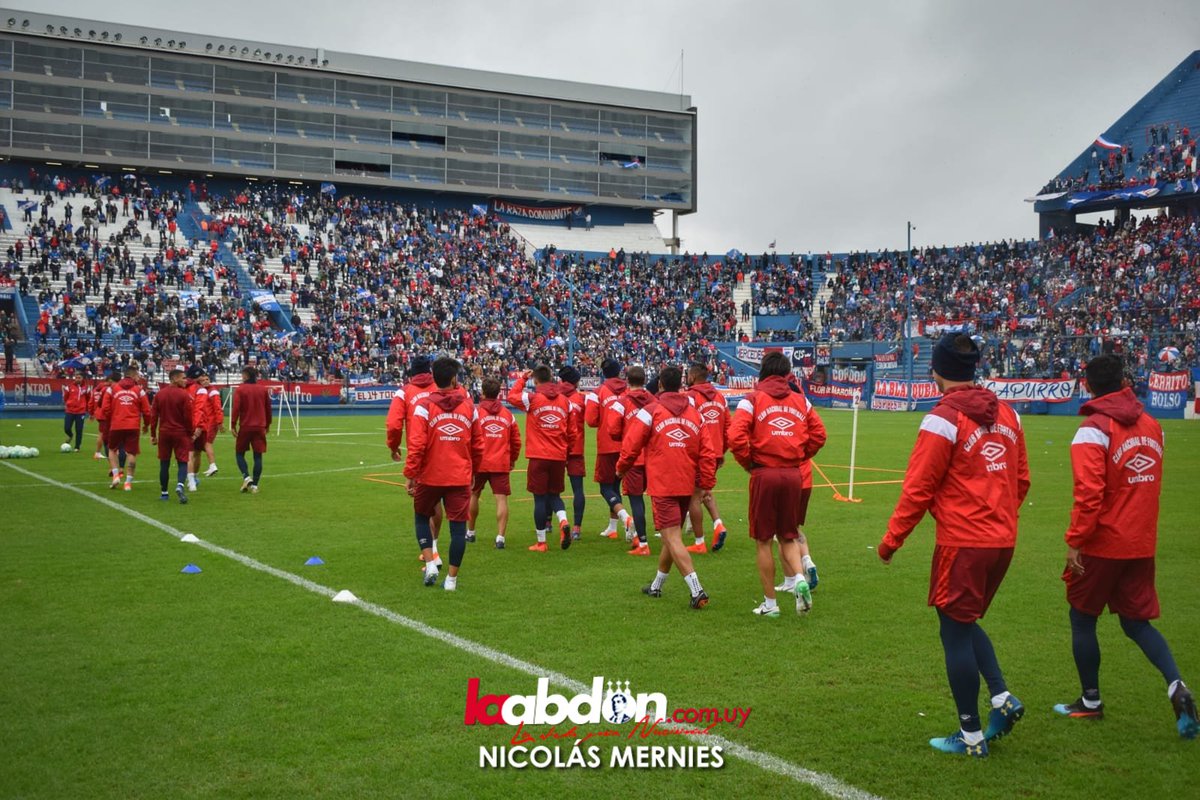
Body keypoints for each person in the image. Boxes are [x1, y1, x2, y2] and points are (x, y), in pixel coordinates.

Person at [876, 333, 1029, 758]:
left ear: (937, 371)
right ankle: (1001, 697)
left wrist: (891, 541)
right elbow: (1021, 480)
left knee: (954, 631)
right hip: (1002, 539)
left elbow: (918, 488)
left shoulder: (942, 419)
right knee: (963, 620)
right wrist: (999, 516)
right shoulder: (1009, 415)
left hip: (964, 540)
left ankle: (971, 736)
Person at [1055, 354, 1197, 739]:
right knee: (1136, 622)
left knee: (1082, 617)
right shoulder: (1152, 425)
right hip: (1141, 541)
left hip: (1103, 543)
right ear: (1123, 382)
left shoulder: (1093, 430)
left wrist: (1075, 541)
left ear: (1087, 385)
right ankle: (1176, 685)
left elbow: (1089, 495)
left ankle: (1090, 701)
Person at [728, 352, 824, 618]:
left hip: (765, 473)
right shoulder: (801, 400)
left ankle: (771, 605)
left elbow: (735, 437)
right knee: (788, 535)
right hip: (793, 474)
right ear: (786, 373)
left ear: (763, 371)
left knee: (763, 541)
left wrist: (749, 463)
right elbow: (819, 434)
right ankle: (799, 579)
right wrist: (799, 455)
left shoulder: (752, 399)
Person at [618, 365, 716, 609]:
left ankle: (697, 590)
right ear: (681, 384)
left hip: (663, 483)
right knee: (671, 537)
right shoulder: (695, 413)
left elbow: (631, 443)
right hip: (686, 482)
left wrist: (621, 468)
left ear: (660, 384)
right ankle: (657, 585)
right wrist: (705, 482)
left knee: (671, 537)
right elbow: (708, 451)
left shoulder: (651, 411)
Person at [404, 357, 482, 590]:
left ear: (434, 379)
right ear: (454, 379)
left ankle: (430, 563)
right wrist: (474, 471)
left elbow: (417, 444)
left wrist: (411, 474)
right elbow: (478, 445)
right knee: (458, 528)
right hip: (459, 476)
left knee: (421, 516)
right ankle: (451, 580)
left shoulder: (424, 406)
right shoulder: (469, 406)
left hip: (430, 475)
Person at [507, 365, 576, 552]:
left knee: (539, 499)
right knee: (555, 495)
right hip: (558, 455)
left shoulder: (532, 398)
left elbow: (511, 396)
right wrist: (566, 452)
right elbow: (573, 432)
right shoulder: (565, 401)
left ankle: (541, 542)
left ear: (535, 380)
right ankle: (563, 521)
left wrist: (522, 379)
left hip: (538, 456)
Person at [387, 357, 444, 564]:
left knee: (423, 505)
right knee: (437, 502)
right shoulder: (441, 387)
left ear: (411, 372)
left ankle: (432, 553)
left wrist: (393, 446)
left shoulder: (404, 392)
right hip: (444, 449)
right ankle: (435, 545)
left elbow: (394, 425)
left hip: (419, 453)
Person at [468, 377, 521, 550]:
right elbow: (516, 440)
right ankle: (500, 537)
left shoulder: (476, 413)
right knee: (501, 499)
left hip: (479, 462)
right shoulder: (508, 414)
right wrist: (512, 459)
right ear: (498, 393)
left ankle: (471, 532)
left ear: (482, 393)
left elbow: (468, 438)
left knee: (473, 495)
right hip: (500, 462)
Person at [584, 357, 634, 540]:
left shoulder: (598, 392)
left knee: (606, 487)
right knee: (616, 486)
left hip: (607, 445)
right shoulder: (629, 390)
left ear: (603, 373)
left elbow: (591, 420)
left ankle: (625, 517)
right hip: (628, 445)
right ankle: (612, 528)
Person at [608, 365, 656, 556]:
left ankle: (642, 542)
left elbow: (612, 429)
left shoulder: (622, 402)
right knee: (659, 498)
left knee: (636, 500)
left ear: (627, 381)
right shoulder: (655, 401)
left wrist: (626, 435)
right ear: (645, 380)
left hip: (634, 457)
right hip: (653, 457)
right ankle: (669, 535)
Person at [684, 362, 730, 553]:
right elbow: (728, 427)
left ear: (693, 376)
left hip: (698, 453)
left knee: (693, 496)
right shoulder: (720, 397)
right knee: (704, 490)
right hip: (715, 453)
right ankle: (718, 524)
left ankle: (699, 541)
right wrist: (721, 451)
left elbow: (686, 424)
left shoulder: (691, 397)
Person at [101, 365, 152, 491]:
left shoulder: (112, 389)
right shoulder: (139, 390)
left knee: (112, 449)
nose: (139, 378)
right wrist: (146, 424)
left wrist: (113, 418)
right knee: (132, 453)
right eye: (138, 375)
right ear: (133, 376)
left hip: (116, 424)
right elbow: (147, 411)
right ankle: (128, 483)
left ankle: (115, 475)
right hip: (133, 426)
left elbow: (105, 408)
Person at [150, 368, 196, 504]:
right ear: (174, 379)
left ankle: (164, 493)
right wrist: (190, 432)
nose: (185, 380)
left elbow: (154, 416)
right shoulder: (184, 395)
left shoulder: (160, 394)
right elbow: (188, 417)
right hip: (180, 433)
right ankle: (180, 485)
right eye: (183, 378)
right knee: (182, 461)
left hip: (164, 432)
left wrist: (153, 434)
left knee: (164, 463)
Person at [231, 365, 272, 494]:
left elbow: (236, 408)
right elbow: (268, 409)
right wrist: (268, 424)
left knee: (239, 453)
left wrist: (233, 424)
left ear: (246, 376)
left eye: (242, 374)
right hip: (259, 427)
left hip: (246, 426)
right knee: (258, 456)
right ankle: (255, 485)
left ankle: (246, 477)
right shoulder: (263, 390)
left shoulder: (240, 389)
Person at [558, 365, 587, 541]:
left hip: (558, 448)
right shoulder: (580, 399)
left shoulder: (555, 397)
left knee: (552, 489)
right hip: (576, 447)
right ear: (575, 381)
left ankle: (548, 522)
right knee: (578, 489)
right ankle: (577, 527)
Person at [184, 365, 211, 492]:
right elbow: (199, 409)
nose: (204, 378)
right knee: (195, 453)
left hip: (181, 425)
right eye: (202, 375)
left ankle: (187, 479)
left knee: (187, 454)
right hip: (198, 425)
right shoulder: (200, 390)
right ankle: (192, 479)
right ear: (197, 376)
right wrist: (198, 426)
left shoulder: (181, 387)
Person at [202, 372, 224, 477]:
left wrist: (219, 422)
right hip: (205, 421)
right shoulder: (204, 391)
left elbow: (217, 408)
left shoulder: (213, 392)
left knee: (207, 443)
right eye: (203, 380)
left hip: (210, 422)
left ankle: (212, 465)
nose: (205, 381)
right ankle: (211, 465)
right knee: (205, 444)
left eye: (207, 379)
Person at [61, 371, 90, 452]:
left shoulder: (86, 388)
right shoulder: (69, 387)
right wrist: (69, 404)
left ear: (82, 378)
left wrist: (87, 409)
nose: (77, 379)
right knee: (67, 428)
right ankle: (70, 435)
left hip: (81, 412)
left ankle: (77, 447)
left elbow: (89, 399)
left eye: (79, 378)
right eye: (76, 377)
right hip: (70, 411)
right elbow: (65, 398)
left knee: (79, 430)